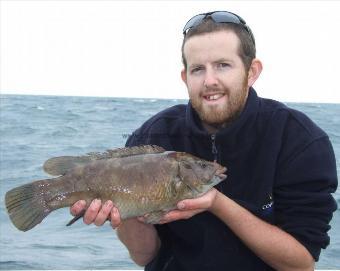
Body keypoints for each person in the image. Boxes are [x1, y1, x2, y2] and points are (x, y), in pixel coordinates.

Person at [70, 11, 338, 271]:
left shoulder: (299, 139)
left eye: (223, 65)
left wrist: (217, 204)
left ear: (251, 71)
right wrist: (123, 213)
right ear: (185, 78)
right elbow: (144, 256)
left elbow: (301, 264)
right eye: (198, 69)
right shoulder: (153, 136)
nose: (210, 81)